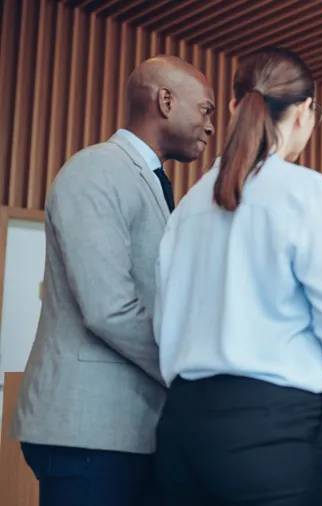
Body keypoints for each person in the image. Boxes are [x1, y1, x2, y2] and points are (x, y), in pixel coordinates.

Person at [152, 46, 322, 506]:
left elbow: (163, 325)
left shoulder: (188, 204)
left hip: (181, 426)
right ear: (306, 113)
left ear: (233, 107)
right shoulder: (303, 191)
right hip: (272, 429)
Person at [11, 56, 215, 505]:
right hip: (88, 431)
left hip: (128, 432)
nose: (210, 126)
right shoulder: (97, 170)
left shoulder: (150, 182)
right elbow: (108, 307)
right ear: (165, 100)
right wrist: (189, 370)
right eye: (205, 109)